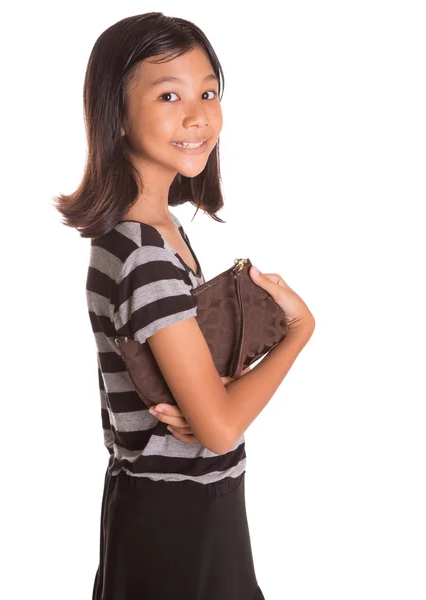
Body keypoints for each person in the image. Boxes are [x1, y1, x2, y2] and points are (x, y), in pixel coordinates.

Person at [54, 11, 315, 600]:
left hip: (181, 502)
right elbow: (219, 429)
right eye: (168, 95)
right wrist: (300, 330)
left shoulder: (159, 228)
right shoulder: (141, 251)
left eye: (208, 92)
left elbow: (208, 414)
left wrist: (216, 393)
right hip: (174, 513)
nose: (197, 115)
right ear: (115, 113)